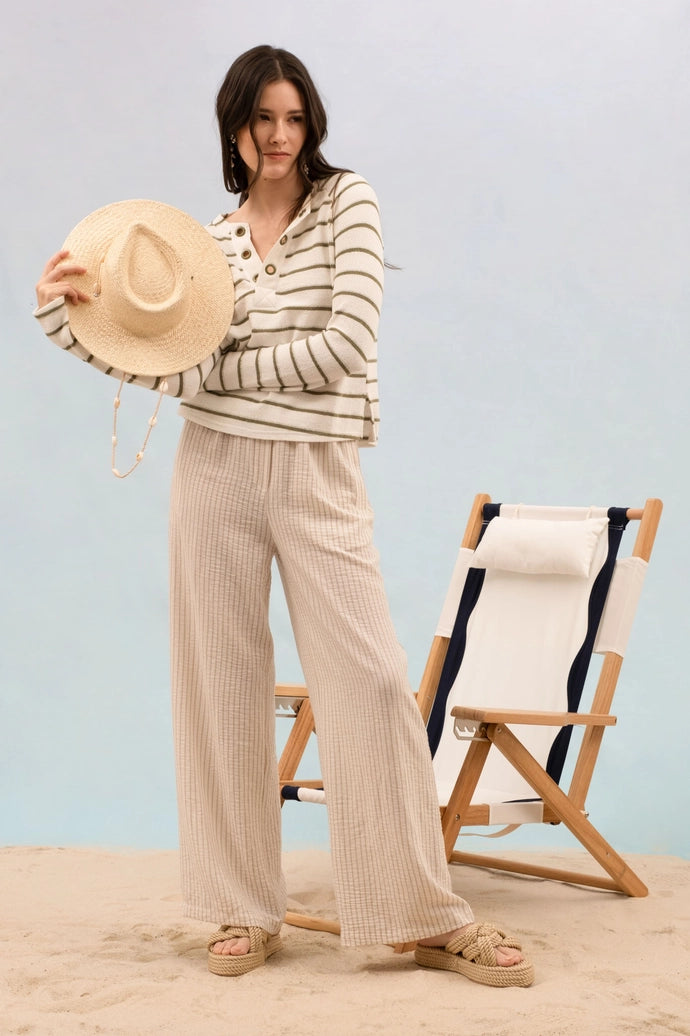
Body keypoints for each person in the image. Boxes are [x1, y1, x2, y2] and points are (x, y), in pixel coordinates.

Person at [34, 44, 533, 986]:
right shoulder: (206, 246)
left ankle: (424, 915)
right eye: (262, 118)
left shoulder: (348, 204)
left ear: (312, 124)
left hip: (316, 471)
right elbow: (169, 371)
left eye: (293, 117)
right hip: (213, 474)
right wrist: (65, 323)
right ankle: (240, 908)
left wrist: (219, 375)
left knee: (371, 684)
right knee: (219, 684)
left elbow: (343, 345)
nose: (279, 135)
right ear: (234, 128)